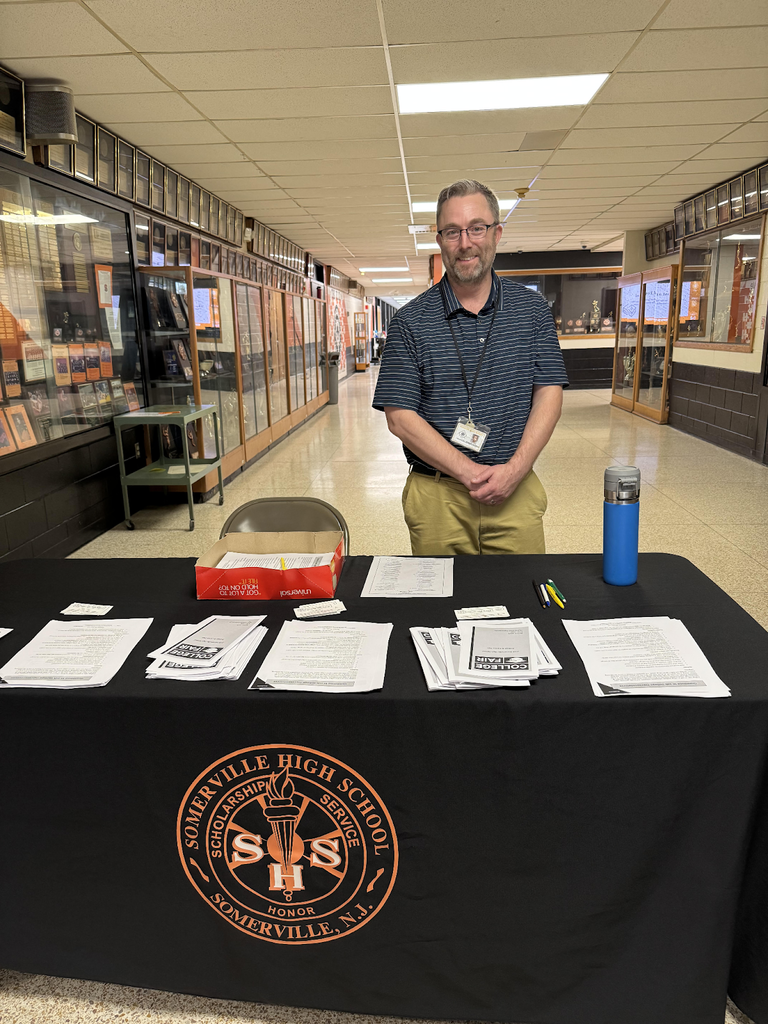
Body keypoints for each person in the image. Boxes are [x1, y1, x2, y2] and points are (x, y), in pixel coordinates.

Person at [372, 179, 568, 556]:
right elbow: (399, 416)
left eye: (477, 228)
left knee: (523, 599)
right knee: (440, 610)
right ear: (439, 239)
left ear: (496, 232)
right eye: (452, 231)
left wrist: (514, 471)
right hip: (438, 497)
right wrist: (470, 472)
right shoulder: (410, 322)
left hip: (516, 488)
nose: (465, 243)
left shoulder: (533, 312)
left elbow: (549, 393)